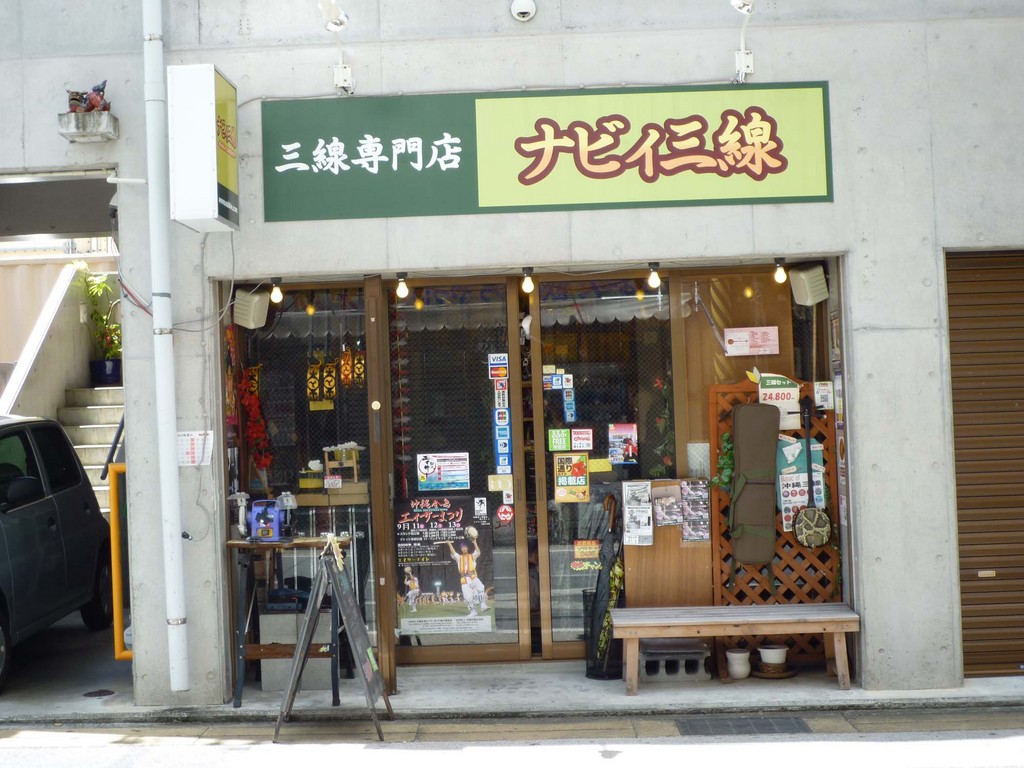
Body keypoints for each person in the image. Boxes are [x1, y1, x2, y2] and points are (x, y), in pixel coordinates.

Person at [446, 535, 487, 616]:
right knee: (467, 597)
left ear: (467, 548)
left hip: (473, 576)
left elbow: (478, 552)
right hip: (464, 579)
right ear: (461, 549)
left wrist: (475, 543)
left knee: (481, 587)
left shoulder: (472, 556)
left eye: (465, 547)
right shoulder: (459, 558)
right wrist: (449, 544)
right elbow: (453, 553)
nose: (464, 548)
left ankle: (483, 605)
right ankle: (473, 612)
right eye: (462, 548)